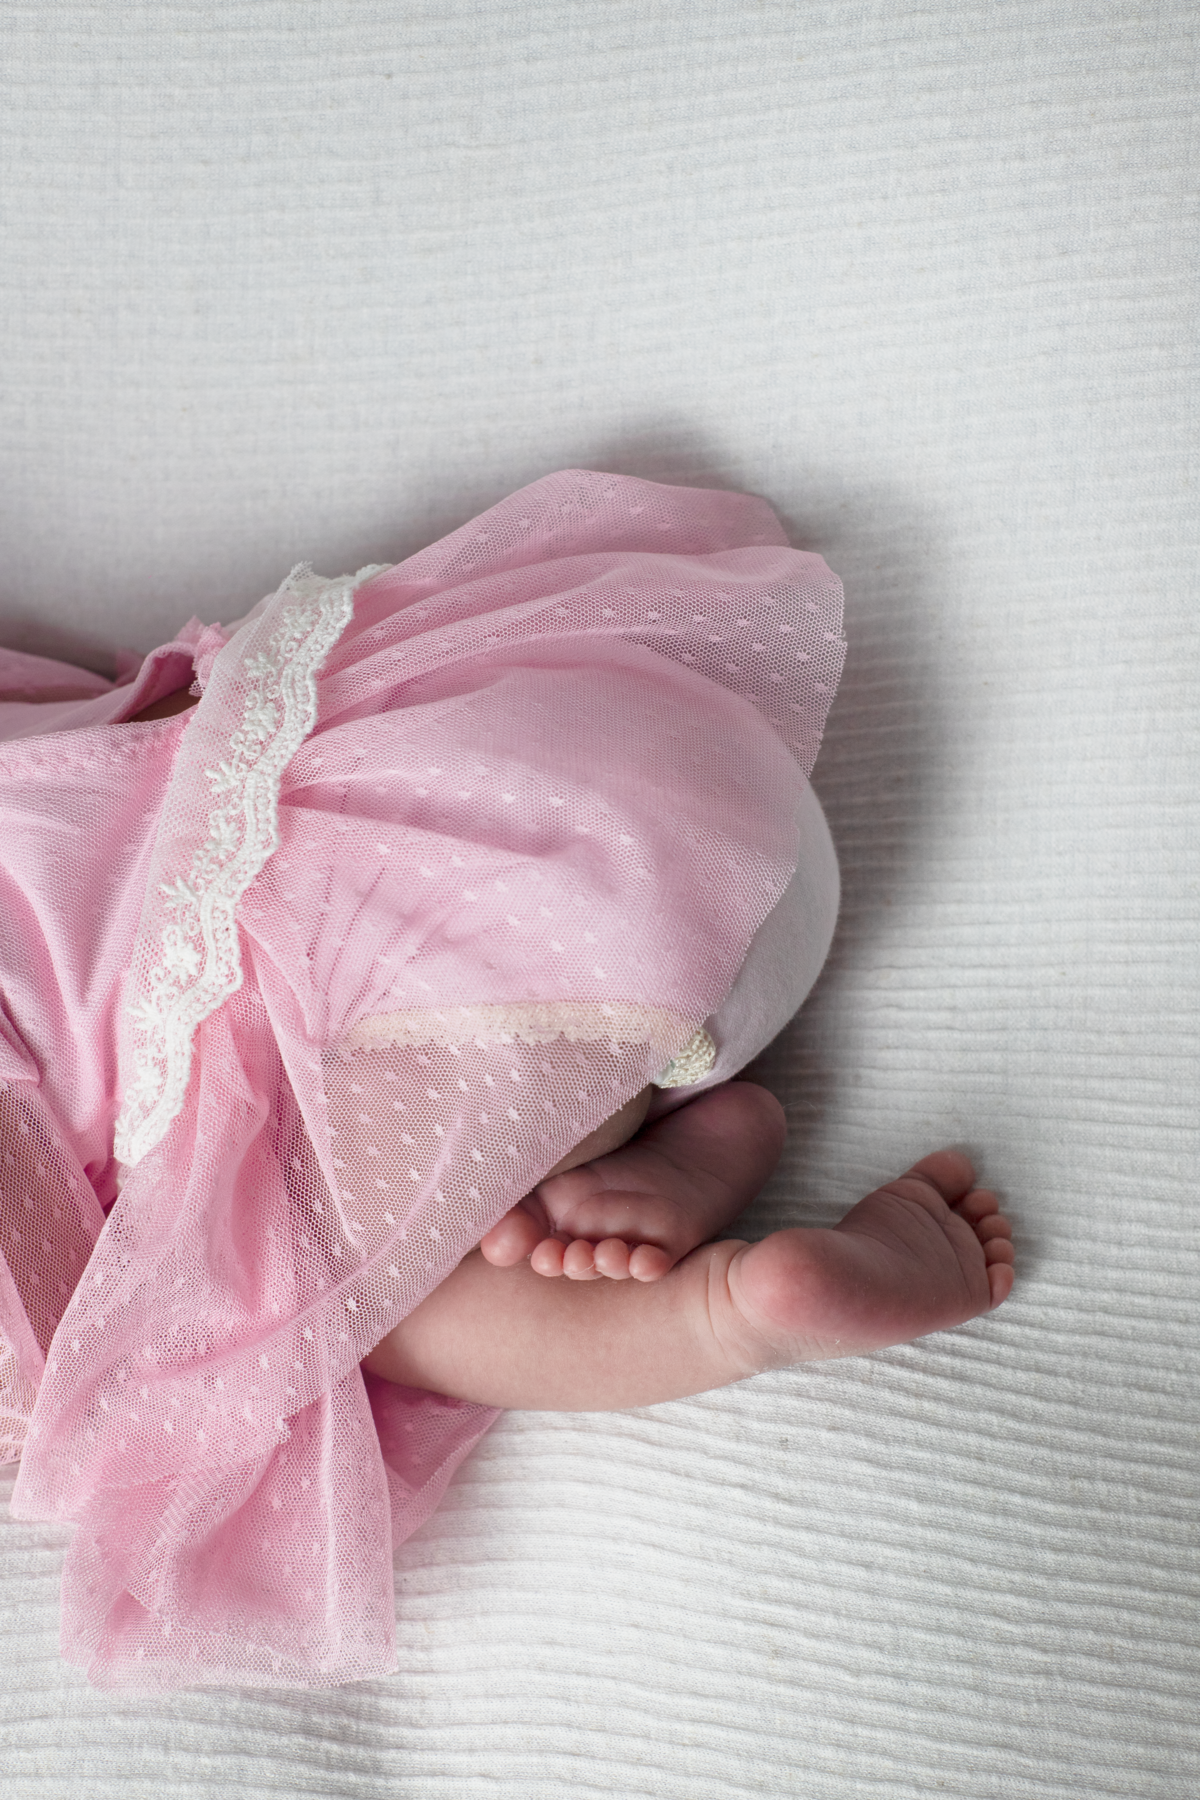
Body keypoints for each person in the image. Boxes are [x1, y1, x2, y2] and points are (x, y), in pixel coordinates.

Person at [0, 470, 1011, 1687]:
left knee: (324, 1310)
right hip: (624, 765)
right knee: (318, 1243)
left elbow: (61, 1342)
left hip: (456, 957)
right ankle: (687, 1134)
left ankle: (716, 1314)